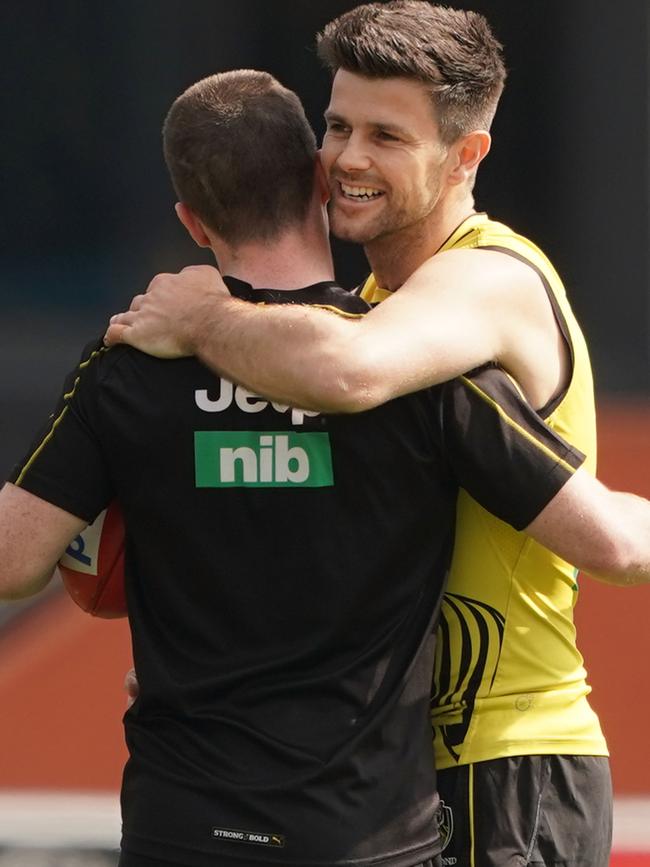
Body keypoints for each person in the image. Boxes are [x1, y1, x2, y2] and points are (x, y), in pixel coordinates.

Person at [104, 4, 626, 866]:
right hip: (400, 779)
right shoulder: (381, 311)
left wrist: (203, 316)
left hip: (508, 763)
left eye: (387, 135)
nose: (347, 157)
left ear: (466, 156)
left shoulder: (485, 279)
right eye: (339, 125)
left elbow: (349, 371)